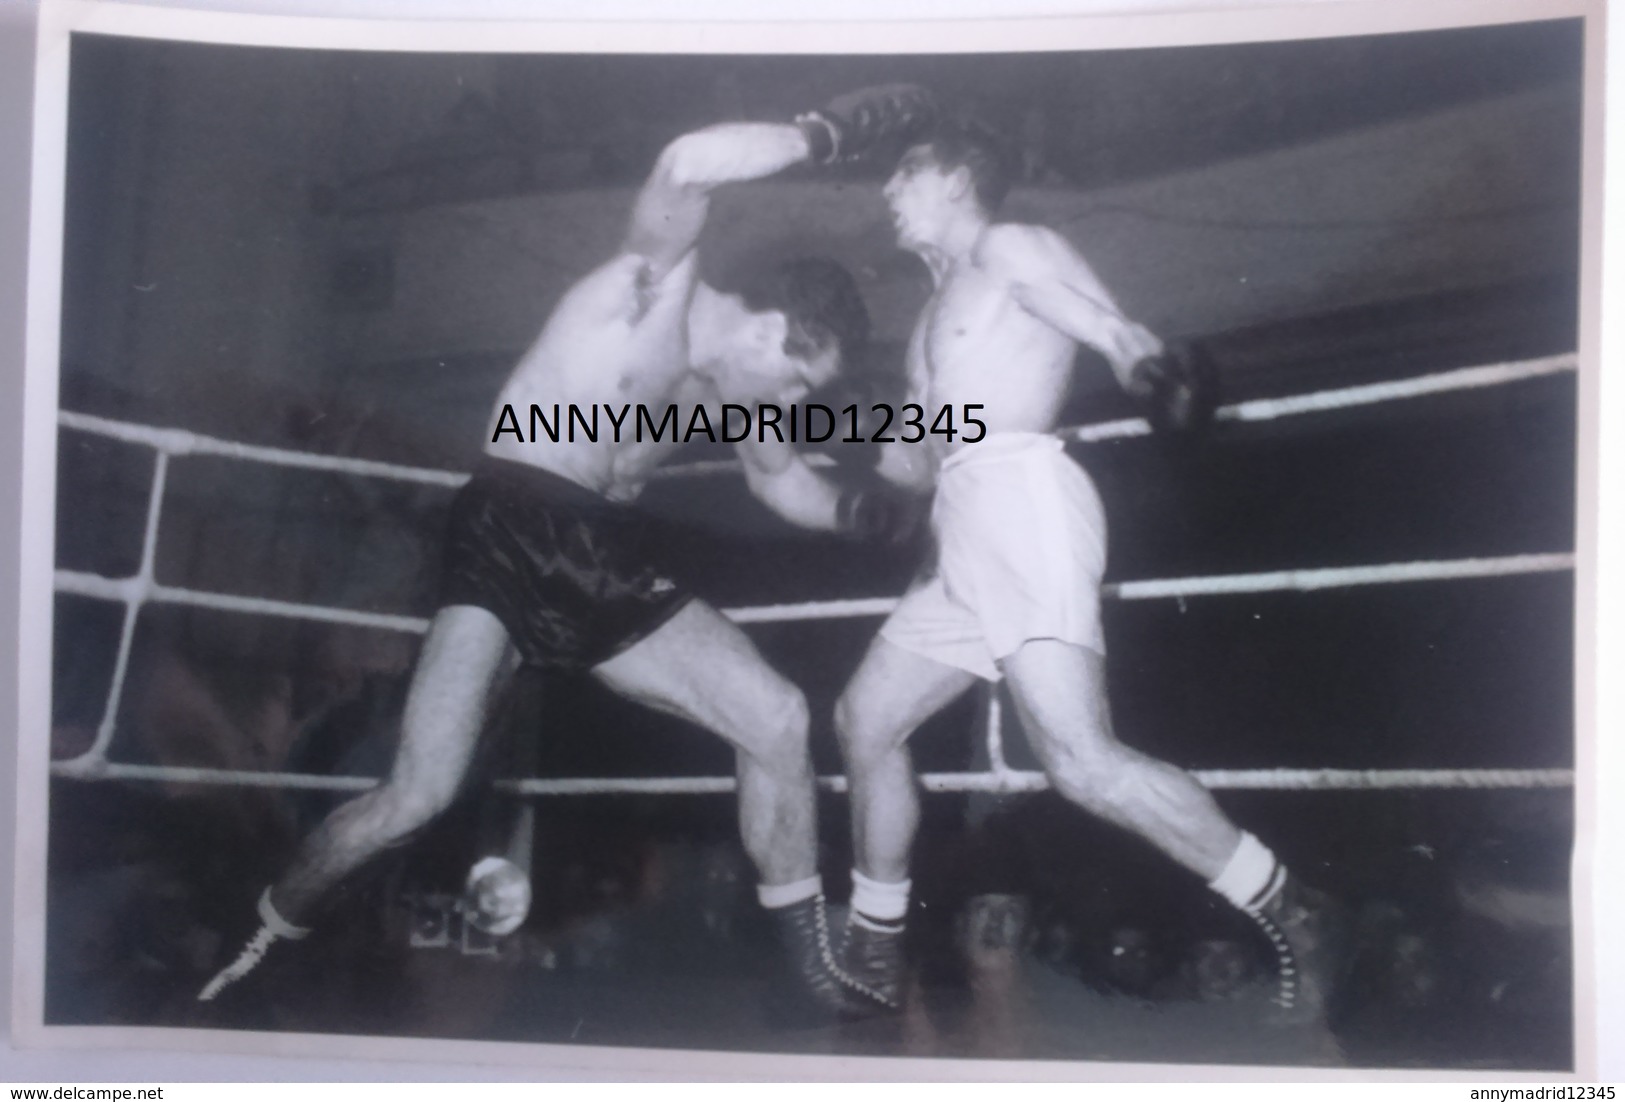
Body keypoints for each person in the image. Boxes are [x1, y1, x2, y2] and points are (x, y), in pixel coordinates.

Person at [198, 86, 939, 1020]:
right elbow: (684, 163)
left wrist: (860, 515)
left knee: (768, 720)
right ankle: (260, 939)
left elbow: (780, 482)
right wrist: (823, 134)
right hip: (523, 522)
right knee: (426, 791)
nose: (792, 402)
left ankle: (813, 962)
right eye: (798, 378)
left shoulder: (740, 388)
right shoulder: (654, 290)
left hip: (567, 550)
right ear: (769, 329)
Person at [832, 116, 1343, 1024]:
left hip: (1024, 502)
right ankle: (873, 947)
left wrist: (1146, 365)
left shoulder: (1009, 246)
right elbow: (915, 455)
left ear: (954, 176)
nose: (886, 190)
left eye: (904, 172)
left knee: (1081, 761)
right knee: (865, 718)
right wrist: (862, 489)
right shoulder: (929, 310)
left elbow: (1102, 321)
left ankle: (1291, 904)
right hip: (961, 526)